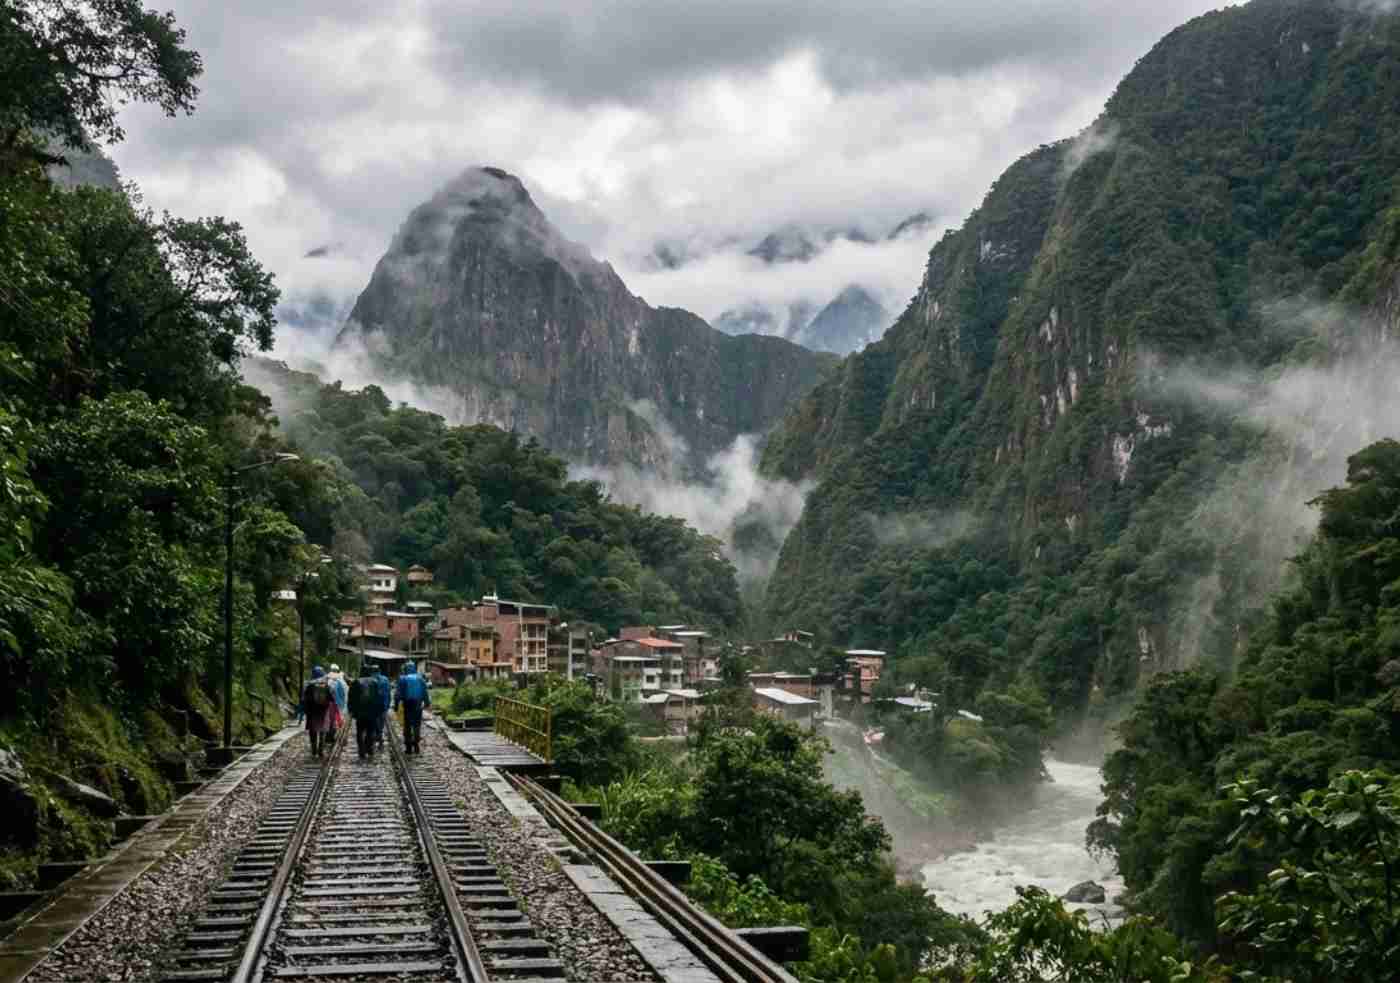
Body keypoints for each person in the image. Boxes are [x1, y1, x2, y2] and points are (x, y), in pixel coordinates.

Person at [394, 661, 430, 754]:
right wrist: (427, 703)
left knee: (408, 725)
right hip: (418, 704)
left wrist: (396, 705)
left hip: (407, 704)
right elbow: (425, 692)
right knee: (417, 724)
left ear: (405, 669)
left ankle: (409, 747)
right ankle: (416, 743)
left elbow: (397, 694)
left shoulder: (402, 679)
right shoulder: (420, 678)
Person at [348, 665, 380, 759]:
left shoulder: (356, 682)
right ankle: (369, 748)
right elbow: (378, 697)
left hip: (360, 712)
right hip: (372, 712)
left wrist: (351, 710)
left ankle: (361, 749)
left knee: (359, 731)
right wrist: (378, 710)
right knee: (370, 731)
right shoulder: (375, 682)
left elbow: (351, 697)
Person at [301, 666, 334, 757]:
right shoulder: (326, 685)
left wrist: (305, 710)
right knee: (322, 730)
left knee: (313, 730)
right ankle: (321, 750)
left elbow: (304, 699)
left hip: (311, 712)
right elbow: (332, 698)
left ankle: (314, 750)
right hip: (323, 711)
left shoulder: (309, 685)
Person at [325, 663, 348, 740]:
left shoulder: (327, 679)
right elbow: (343, 694)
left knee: (329, 720)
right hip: (336, 704)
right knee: (335, 720)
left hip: (327, 703)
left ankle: (328, 736)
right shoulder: (340, 681)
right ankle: (331, 736)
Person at [372, 663, 392, 750]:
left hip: (373, 705)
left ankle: (374, 738)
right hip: (383, 705)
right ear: (379, 671)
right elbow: (388, 693)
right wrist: (388, 705)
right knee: (381, 722)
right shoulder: (385, 679)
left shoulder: (370, 679)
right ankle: (379, 737)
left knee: (373, 722)